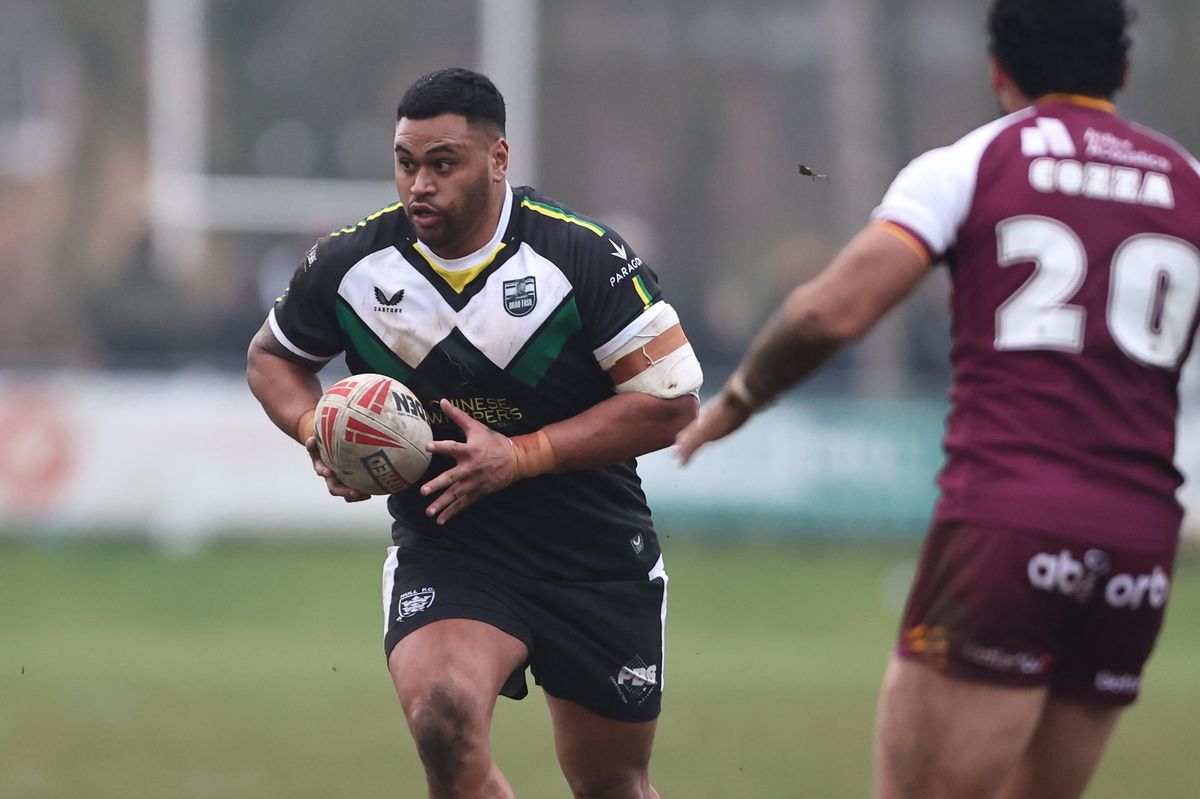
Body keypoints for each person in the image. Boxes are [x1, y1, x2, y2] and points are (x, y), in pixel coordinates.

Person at [676, 1, 1200, 797]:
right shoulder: (1186, 179)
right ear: (1121, 71)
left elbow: (828, 312)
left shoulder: (976, 162)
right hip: (1139, 544)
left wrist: (739, 398)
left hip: (1009, 522)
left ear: (998, 72)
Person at [247, 68, 701, 799]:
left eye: (442, 163)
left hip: (592, 551)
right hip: (452, 548)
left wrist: (520, 456)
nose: (419, 185)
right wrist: (314, 430)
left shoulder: (582, 255)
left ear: (497, 159)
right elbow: (271, 357)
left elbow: (672, 404)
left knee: (612, 781)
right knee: (442, 718)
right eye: (406, 163)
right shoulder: (352, 264)